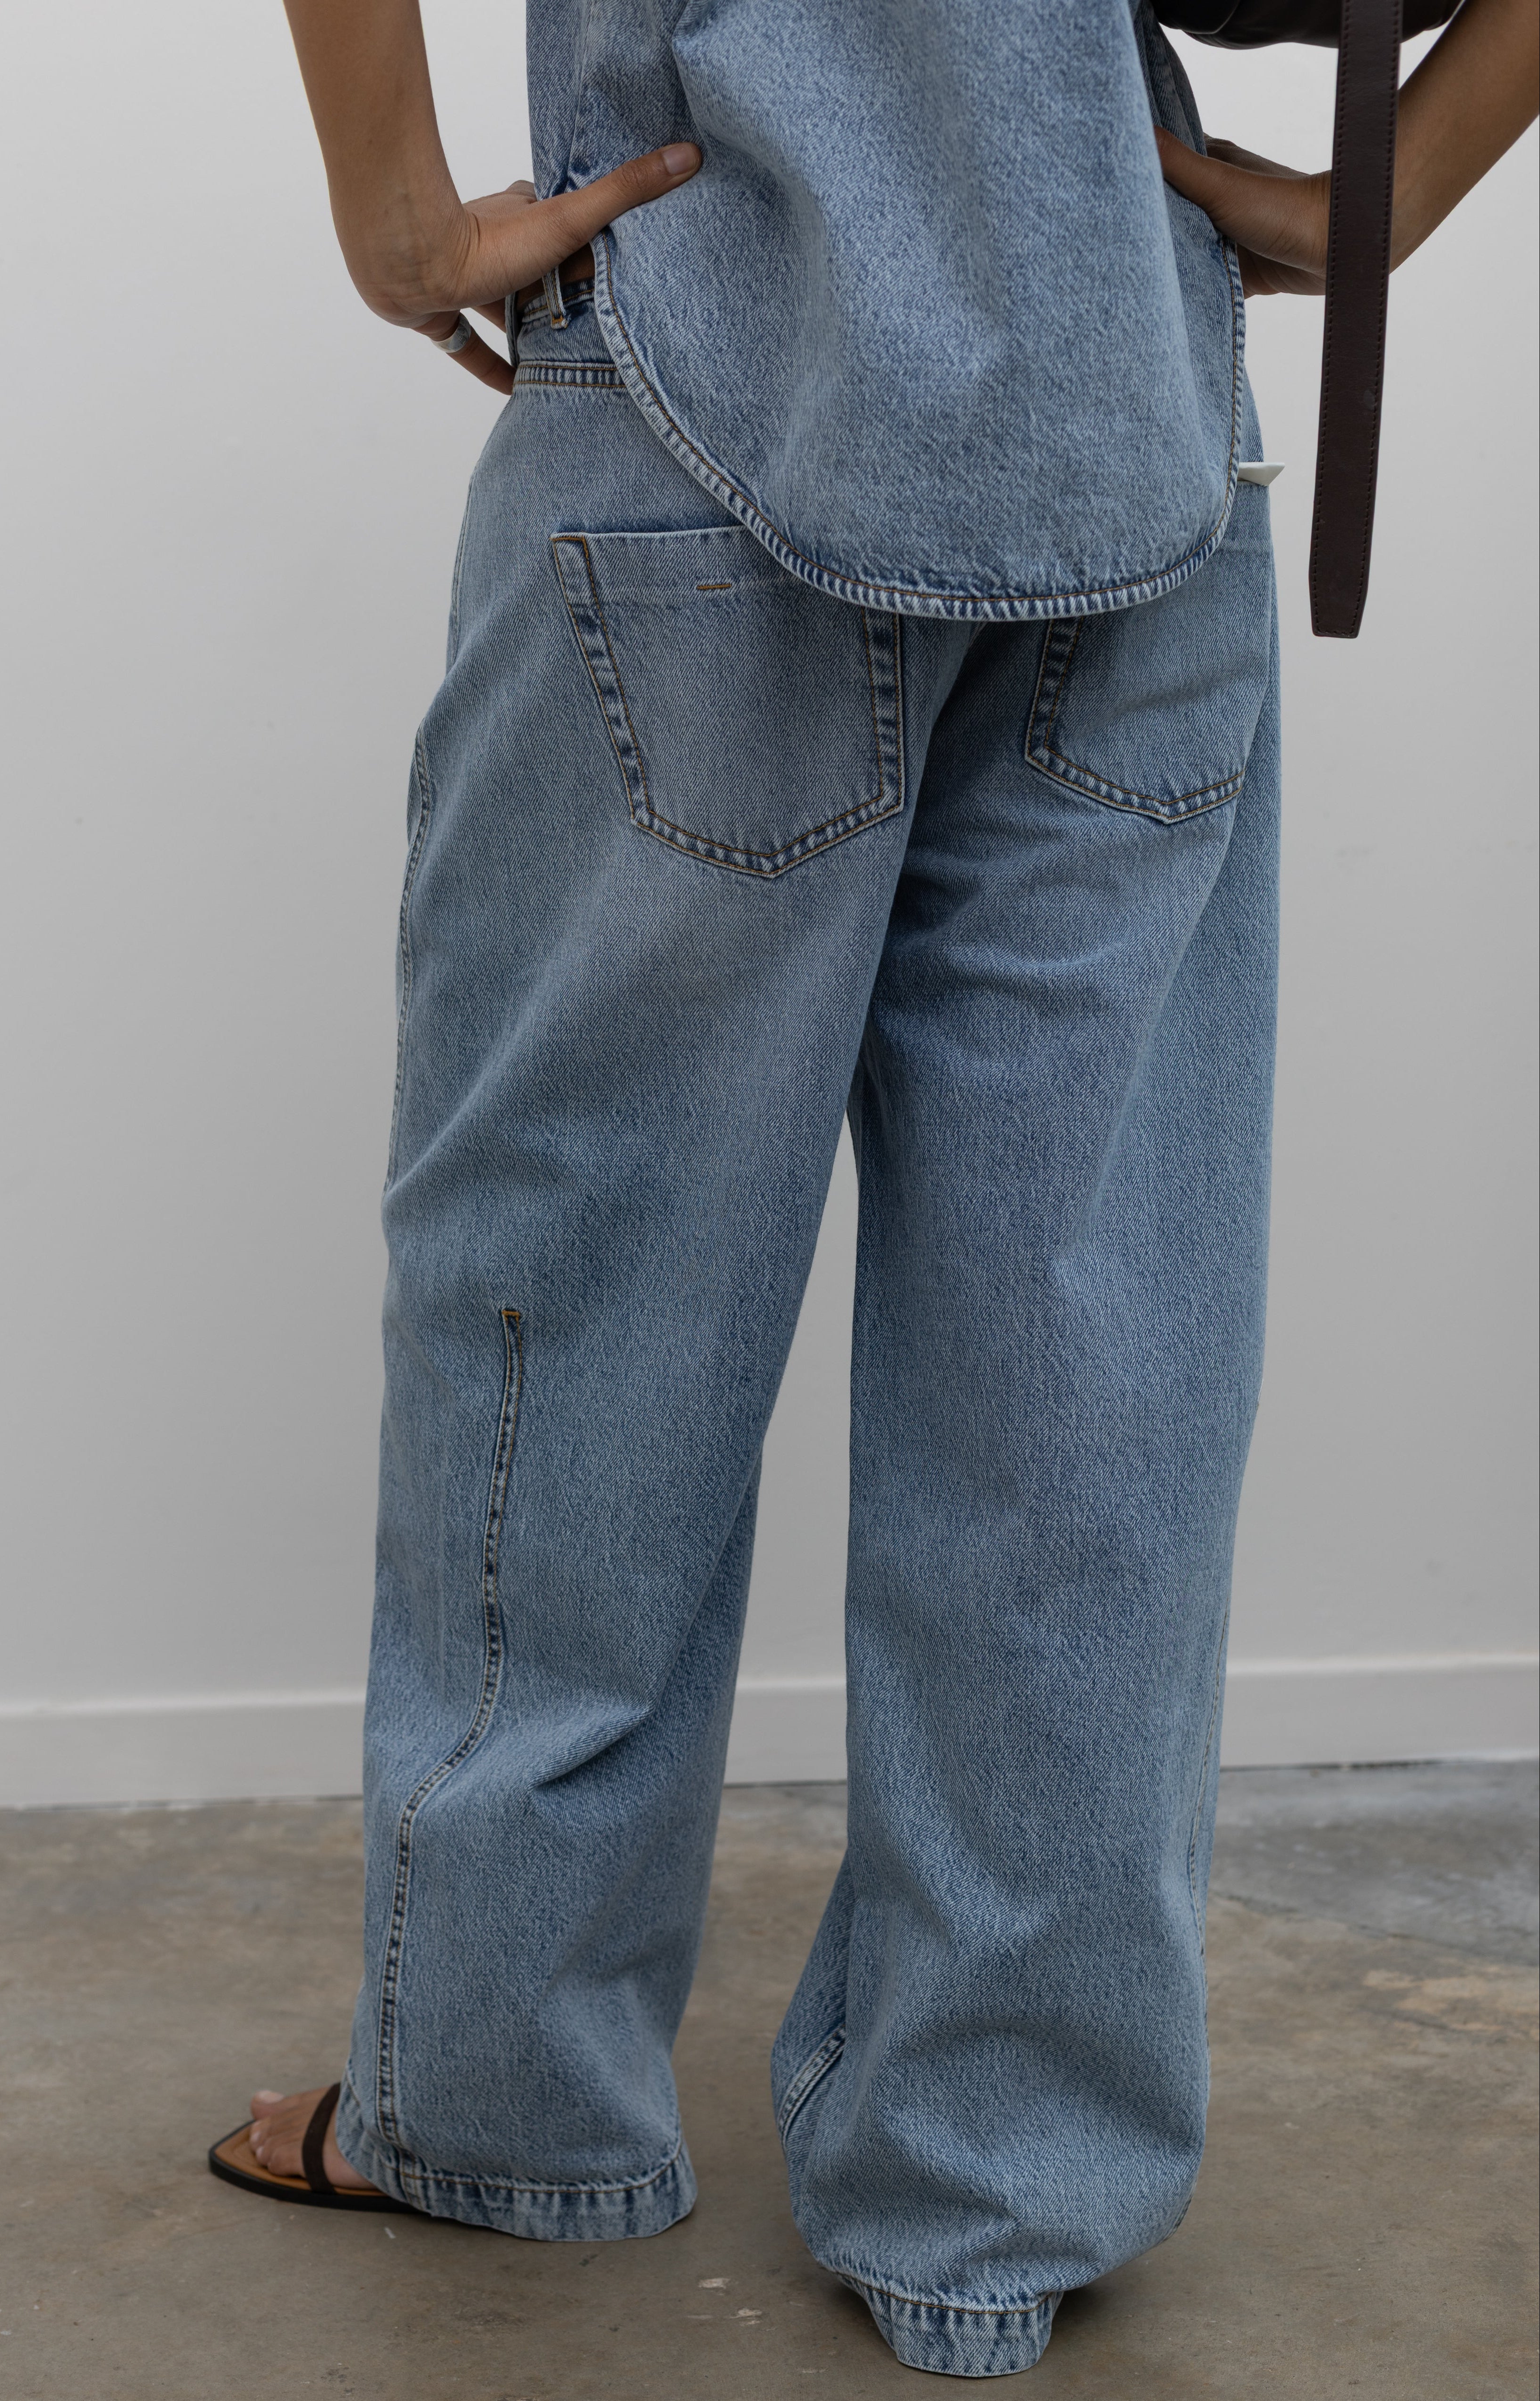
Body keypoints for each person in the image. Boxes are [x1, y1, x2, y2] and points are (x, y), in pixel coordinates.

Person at [208, 0, 1536, 2376]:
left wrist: (393, 205)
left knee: (572, 1289)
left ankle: (504, 2099)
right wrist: (1385, 190)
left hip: (702, 392)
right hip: (1120, 416)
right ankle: (992, 2191)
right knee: (1086, 1362)